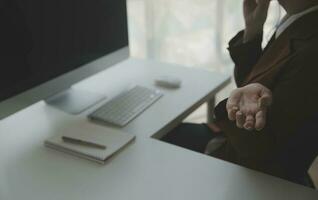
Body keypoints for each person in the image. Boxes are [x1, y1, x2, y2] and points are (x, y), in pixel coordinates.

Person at [162, 0, 318, 182]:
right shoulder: (299, 19)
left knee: (159, 145)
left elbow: (266, 151)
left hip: (251, 171)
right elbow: (254, 82)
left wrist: (236, 107)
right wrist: (253, 30)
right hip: (237, 147)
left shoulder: (311, 52)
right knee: (166, 135)